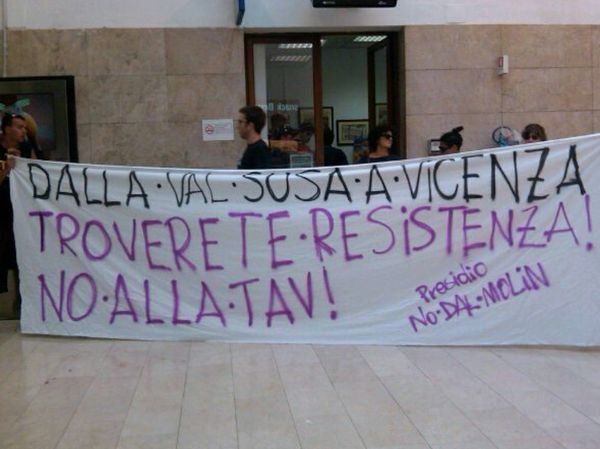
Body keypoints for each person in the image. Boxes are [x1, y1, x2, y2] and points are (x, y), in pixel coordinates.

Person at [1, 114, 25, 298]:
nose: (23, 131)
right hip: (2, 216)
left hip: (21, 216)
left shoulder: (27, 148)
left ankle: (21, 301)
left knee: (22, 258)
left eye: (24, 128)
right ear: (7, 129)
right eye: (19, 127)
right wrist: (7, 166)